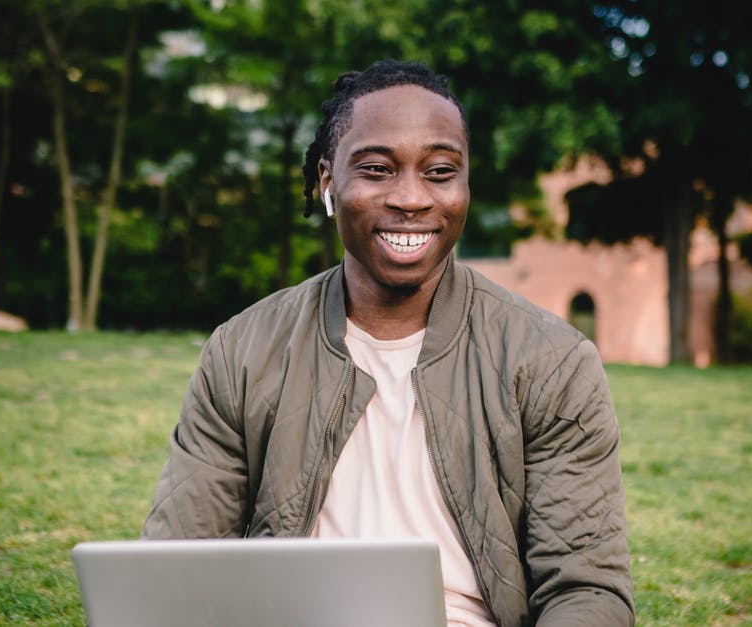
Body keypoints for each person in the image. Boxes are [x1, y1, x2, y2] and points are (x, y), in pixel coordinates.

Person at [142, 59, 633, 626]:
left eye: (440, 171)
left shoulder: (552, 362)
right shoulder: (243, 351)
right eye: (377, 169)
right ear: (328, 182)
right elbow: (177, 562)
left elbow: (586, 590)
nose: (412, 198)